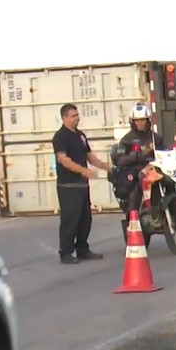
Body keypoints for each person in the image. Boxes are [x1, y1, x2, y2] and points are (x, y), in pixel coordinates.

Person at [52, 103, 111, 265]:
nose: (77, 118)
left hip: (82, 186)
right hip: (68, 186)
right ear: (64, 118)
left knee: (85, 219)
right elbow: (63, 160)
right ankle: (65, 252)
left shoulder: (80, 136)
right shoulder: (60, 137)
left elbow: (89, 156)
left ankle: (82, 248)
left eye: (77, 115)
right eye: (73, 116)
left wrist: (106, 167)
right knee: (70, 220)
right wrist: (83, 171)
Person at [114, 104, 166, 216]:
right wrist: (140, 155)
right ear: (132, 121)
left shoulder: (155, 138)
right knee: (136, 185)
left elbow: (165, 153)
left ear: (148, 120)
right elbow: (120, 160)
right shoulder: (127, 139)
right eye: (137, 120)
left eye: (143, 120)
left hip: (154, 169)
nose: (140, 123)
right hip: (135, 169)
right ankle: (134, 214)